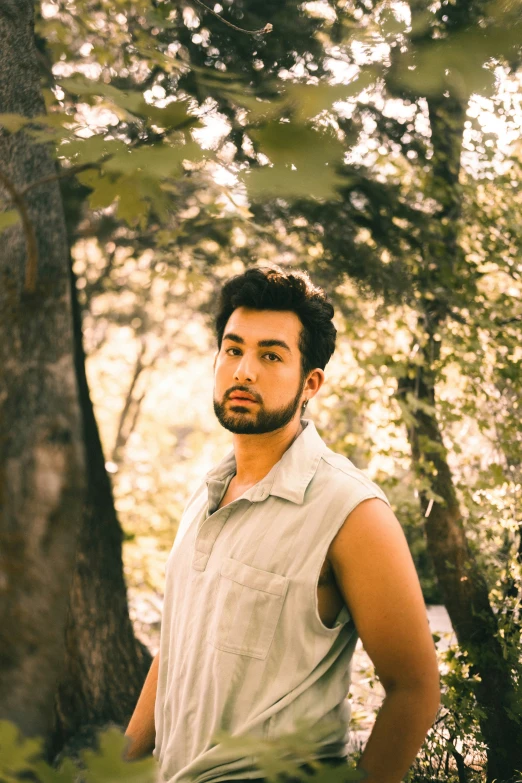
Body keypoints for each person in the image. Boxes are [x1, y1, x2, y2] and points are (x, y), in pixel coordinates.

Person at [124, 267, 441, 783]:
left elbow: (415, 689)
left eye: (271, 355)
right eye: (233, 349)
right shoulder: (204, 495)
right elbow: (178, 645)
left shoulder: (350, 508)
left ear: (310, 382)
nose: (244, 371)